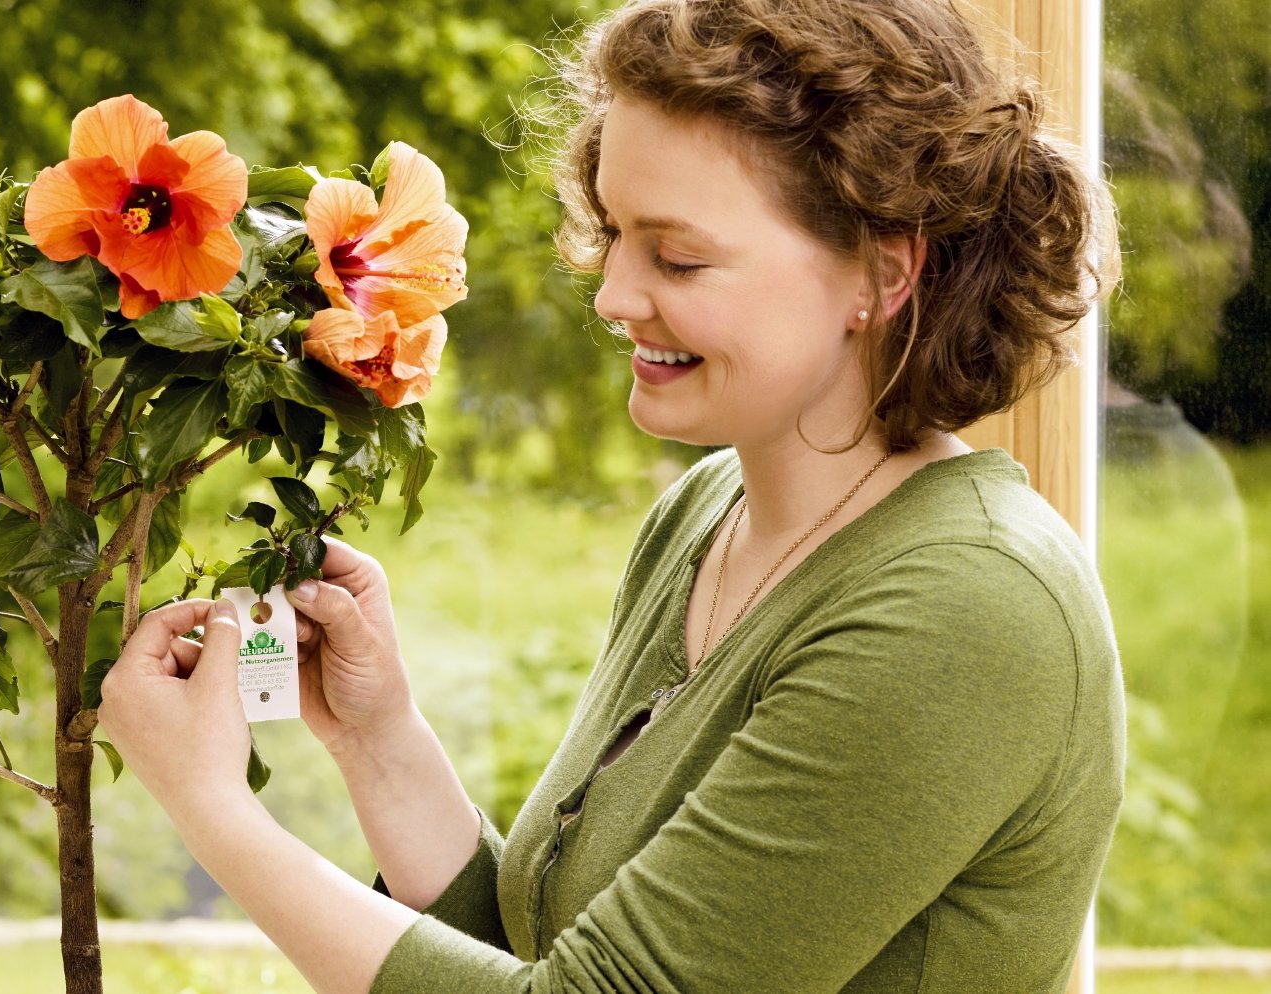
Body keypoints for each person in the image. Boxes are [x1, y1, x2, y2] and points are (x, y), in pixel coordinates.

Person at [98, 0, 1126, 991]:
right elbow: (545, 957)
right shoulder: (706, 513)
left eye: (676, 256)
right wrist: (376, 736)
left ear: (882, 273)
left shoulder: (964, 609)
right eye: (614, 231)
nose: (612, 295)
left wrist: (211, 809)